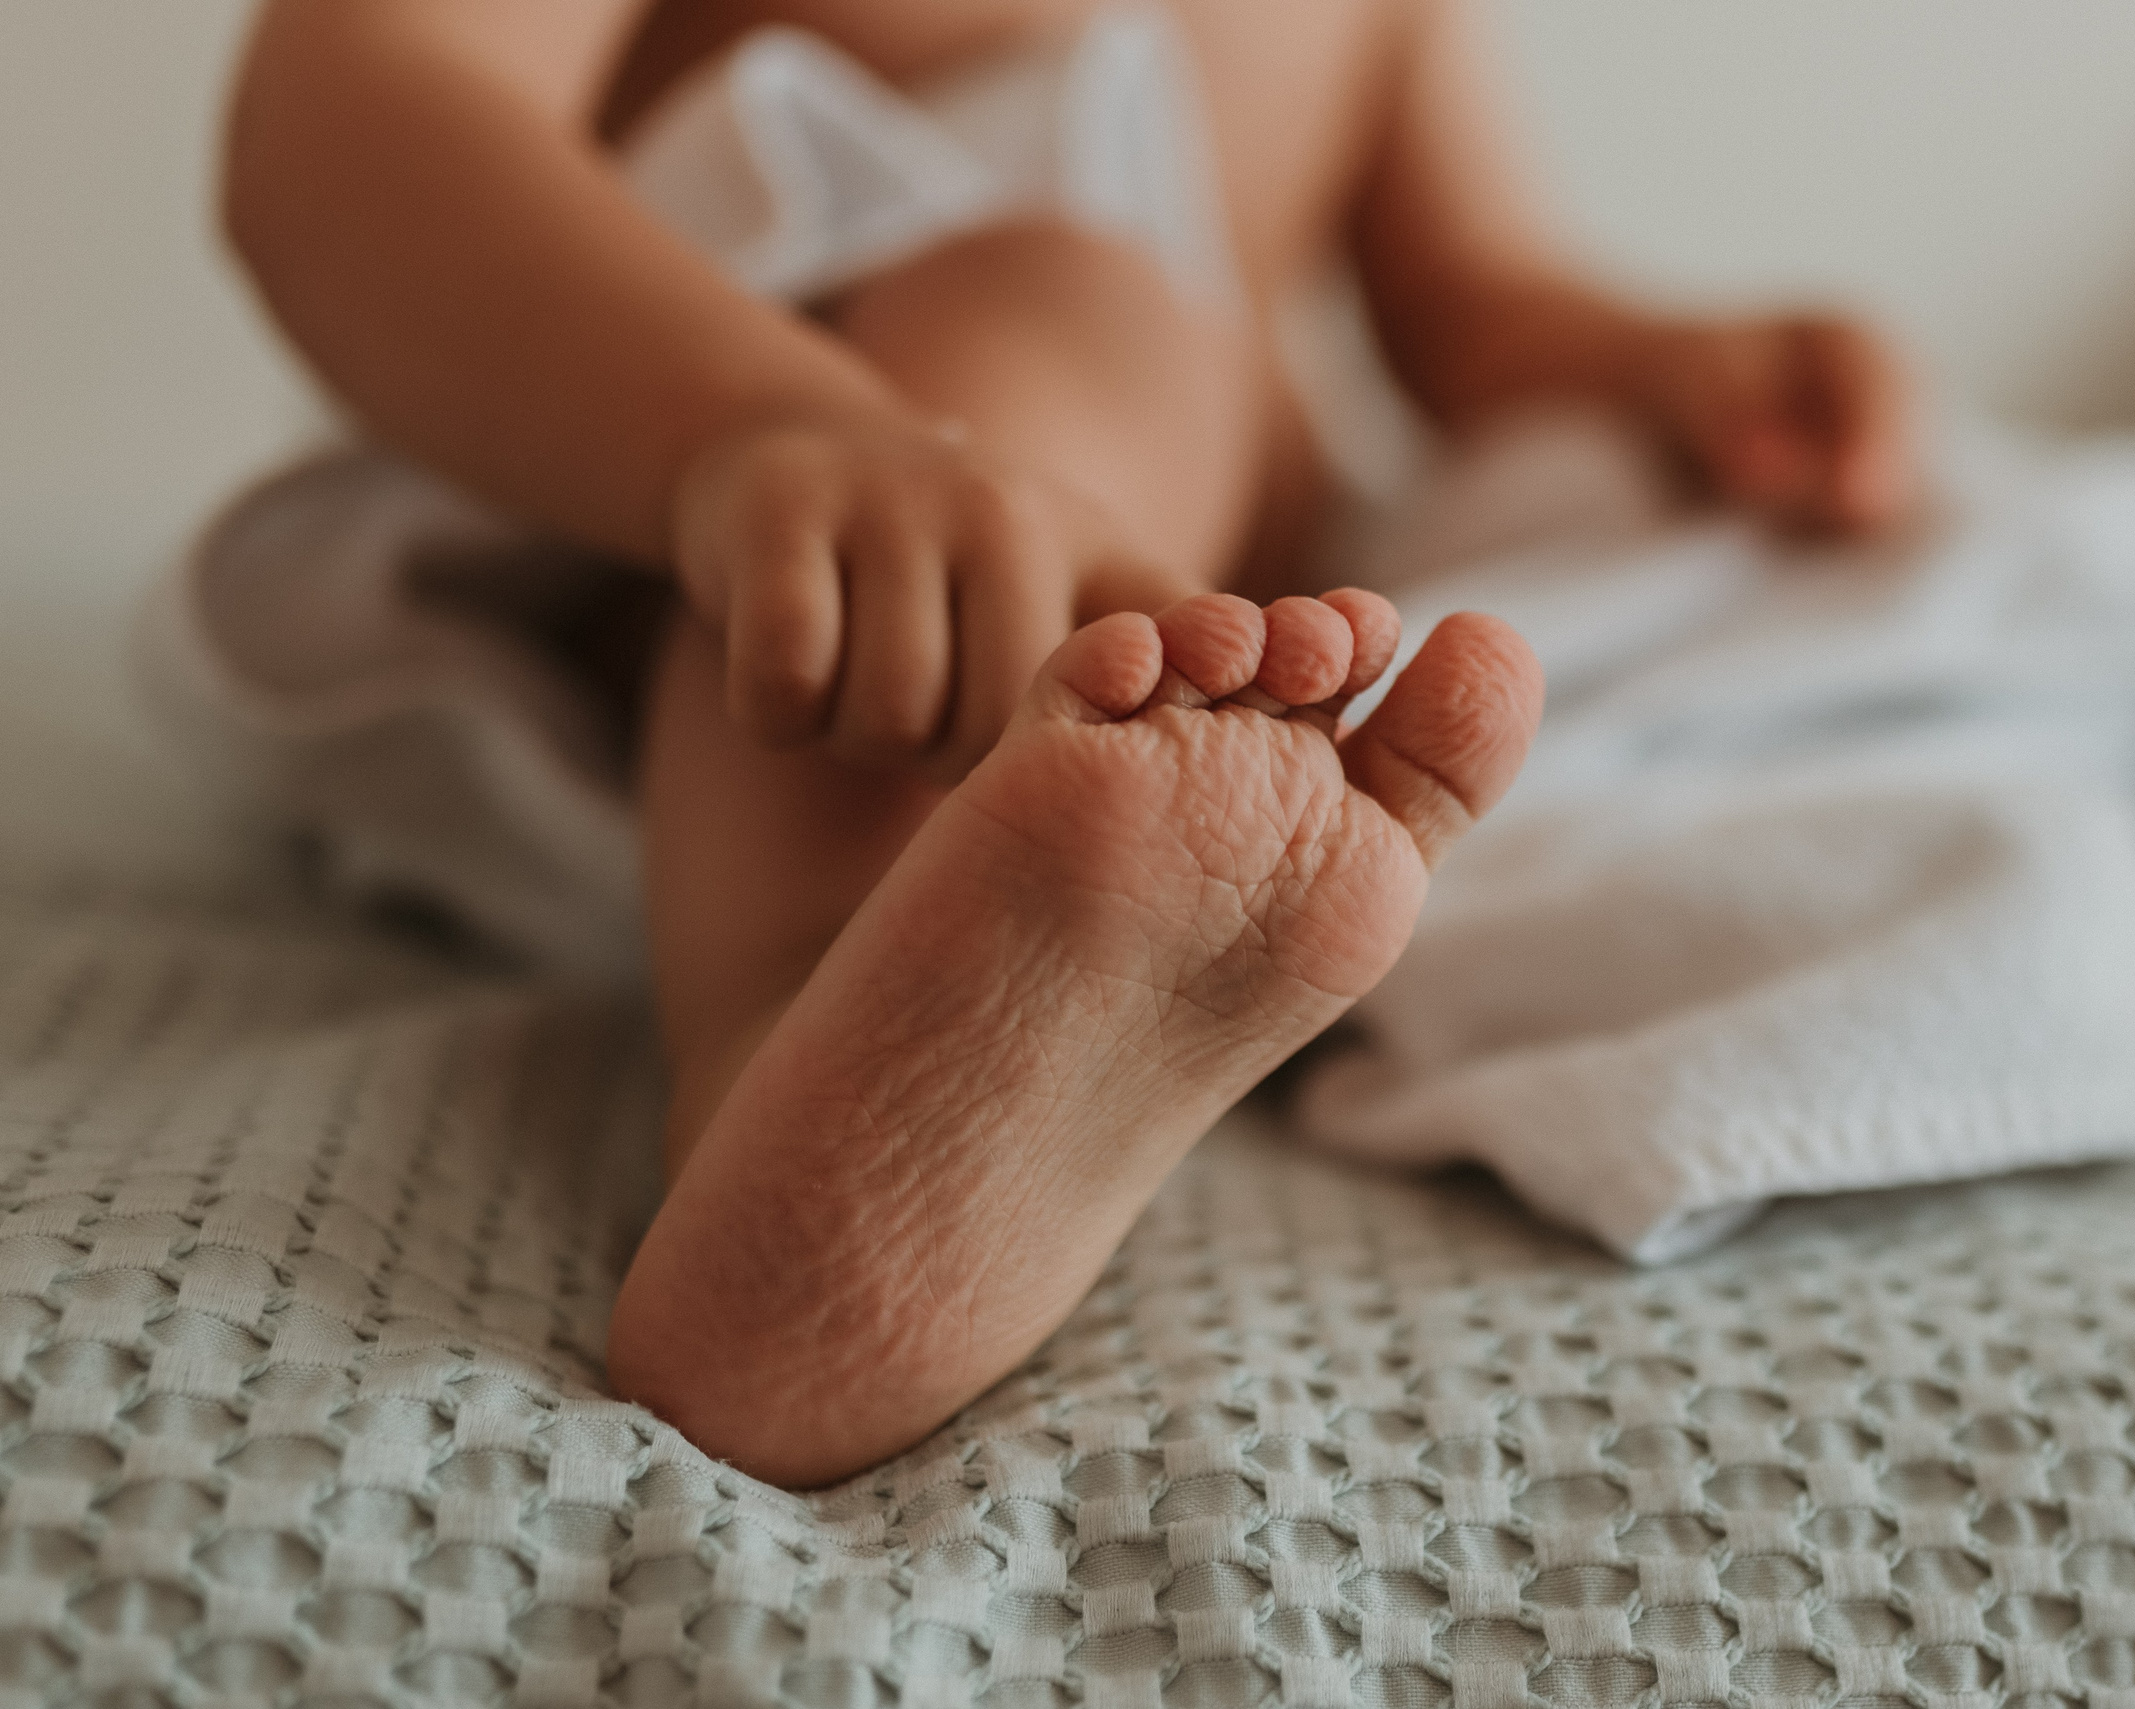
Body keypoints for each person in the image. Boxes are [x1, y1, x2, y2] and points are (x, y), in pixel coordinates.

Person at [222, 0, 1914, 1485]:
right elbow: (359, 105)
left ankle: (1025, 940)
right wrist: (762, 432)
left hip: (1177, 602)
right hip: (697, 519)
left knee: (1106, 339)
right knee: (1047, 292)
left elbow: (1473, 302)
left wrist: (1663, 362)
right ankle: (803, 1046)